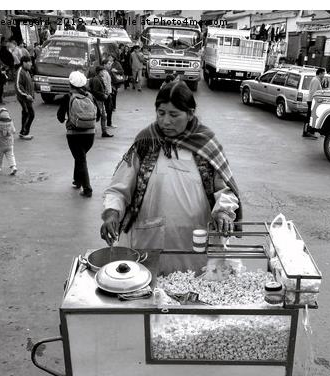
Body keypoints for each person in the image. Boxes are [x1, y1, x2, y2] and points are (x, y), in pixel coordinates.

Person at [100, 81, 242, 273]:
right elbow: (119, 187)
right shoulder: (145, 142)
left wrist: (223, 211)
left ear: (190, 113)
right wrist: (112, 213)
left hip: (196, 240)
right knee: (151, 290)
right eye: (161, 113)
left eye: (174, 114)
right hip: (150, 239)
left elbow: (225, 188)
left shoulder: (206, 143)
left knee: (194, 289)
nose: (166, 121)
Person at [56, 71, 97, 196]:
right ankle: (77, 180)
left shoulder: (68, 97)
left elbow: (60, 117)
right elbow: (99, 114)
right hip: (90, 134)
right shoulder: (90, 96)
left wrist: (68, 118)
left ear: (70, 84)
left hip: (74, 134)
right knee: (80, 157)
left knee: (80, 158)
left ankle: (87, 189)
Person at [90, 65, 113, 138]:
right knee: (97, 116)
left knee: (103, 116)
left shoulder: (99, 78)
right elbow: (95, 91)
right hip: (98, 101)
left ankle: (104, 132)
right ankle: (93, 131)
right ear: (99, 72)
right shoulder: (96, 80)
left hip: (100, 100)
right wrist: (103, 95)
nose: (104, 72)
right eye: (103, 71)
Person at [15, 56, 35, 140]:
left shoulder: (27, 71)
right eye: (29, 62)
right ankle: (23, 133)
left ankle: (24, 132)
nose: (31, 64)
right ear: (24, 63)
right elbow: (18, 86)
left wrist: (32, 96)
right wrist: (26, 95)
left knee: (29, 114)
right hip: (23, 98)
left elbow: (29, 85)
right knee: (28, 113)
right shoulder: (20, 71)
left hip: (28, 98)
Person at [302, 67, 324, 139]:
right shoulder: (316, 80)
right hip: (312, 101)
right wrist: (316, 101)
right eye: (323, 74)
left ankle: (308, 131)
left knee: (310, 116)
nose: (323, 75)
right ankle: (306, 132)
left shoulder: (316, 80)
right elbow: (313, 92)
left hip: (312, 101)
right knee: (309, 117)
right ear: (320, 73)